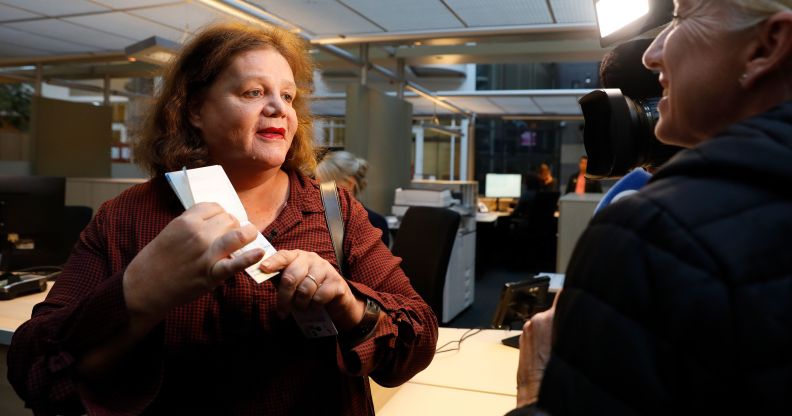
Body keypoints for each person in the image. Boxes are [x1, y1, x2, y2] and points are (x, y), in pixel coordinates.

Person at [7, 23, 438, 415]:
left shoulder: (334, 210)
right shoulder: (127, 217)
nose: (279, 108)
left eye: (287, 96)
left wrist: (347, 303)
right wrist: (137, 294)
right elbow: (35, 372)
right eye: (253, 92)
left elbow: (418, 339)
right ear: (195, 110)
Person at [512, 0, 792, 414]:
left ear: (766, 45)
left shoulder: (651, 229)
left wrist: (538, 383)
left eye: (680, 17)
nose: (651, 52)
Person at [316, 151, 390, 247]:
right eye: (316, 185)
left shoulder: (374, 223)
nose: (317, 191)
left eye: (325, 185)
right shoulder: (316, 218)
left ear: (349, 184)